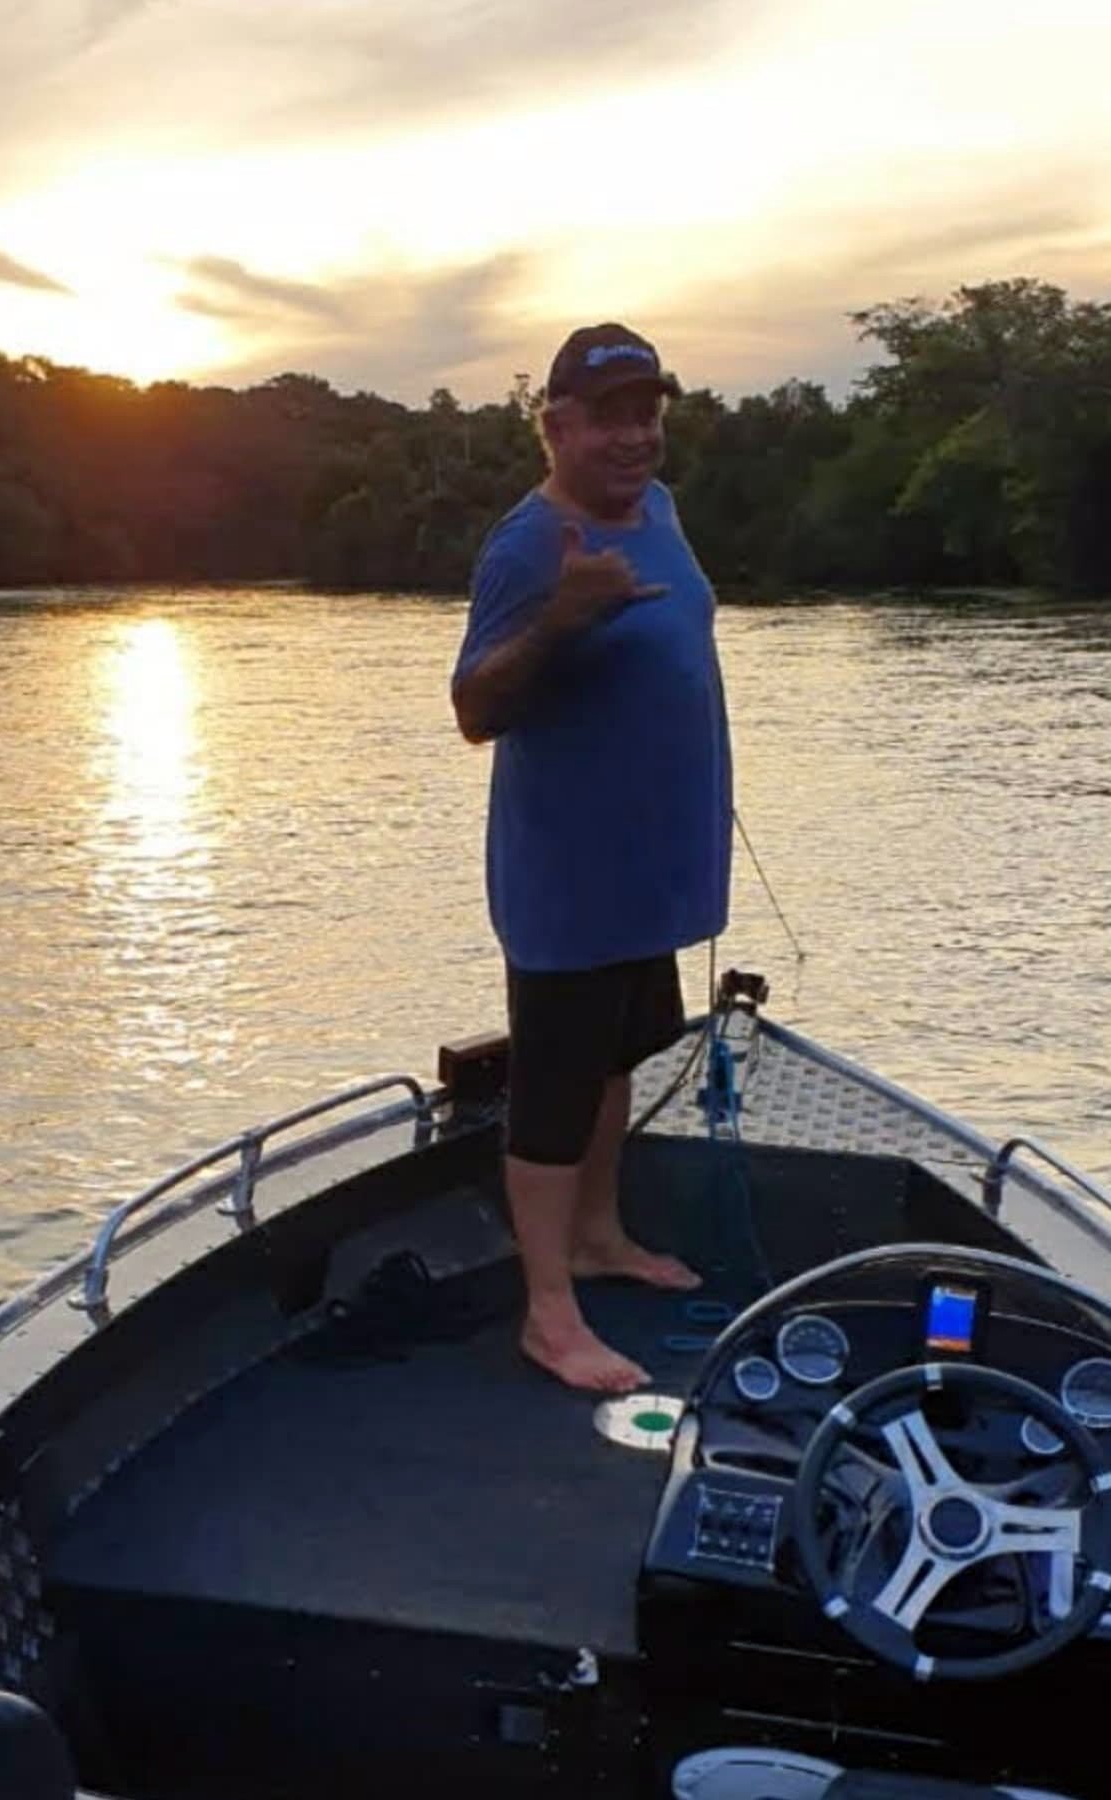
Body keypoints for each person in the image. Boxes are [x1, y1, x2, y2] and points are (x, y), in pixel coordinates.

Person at [450, 322, 734, 1395]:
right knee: (555, 1086)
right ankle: (550, 1315)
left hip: (652, 864)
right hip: (569, 871)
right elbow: (474, 708)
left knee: (620, 1053)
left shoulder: (660, 510)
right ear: (557, 425)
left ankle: (599, 1236)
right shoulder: (527, 548)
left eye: (647, 412)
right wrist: (563, 621)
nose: (634, 435)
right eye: (609, 417)